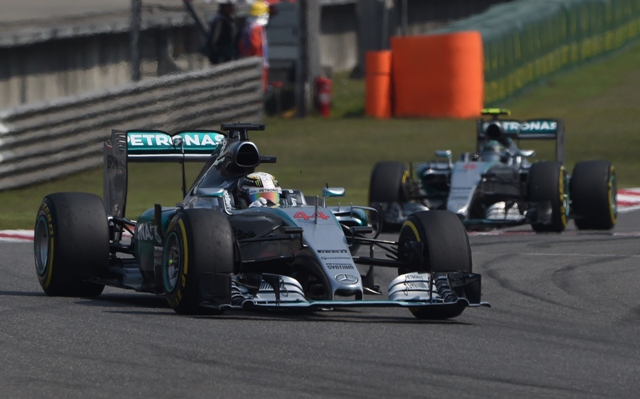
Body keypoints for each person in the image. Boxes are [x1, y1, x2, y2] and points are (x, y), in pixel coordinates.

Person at [238, 1, 270, 91]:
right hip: (259, 63)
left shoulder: (248, 27)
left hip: (249, 60)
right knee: (259, 88)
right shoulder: (257, 28)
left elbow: (241, 44)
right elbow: (256, 45)